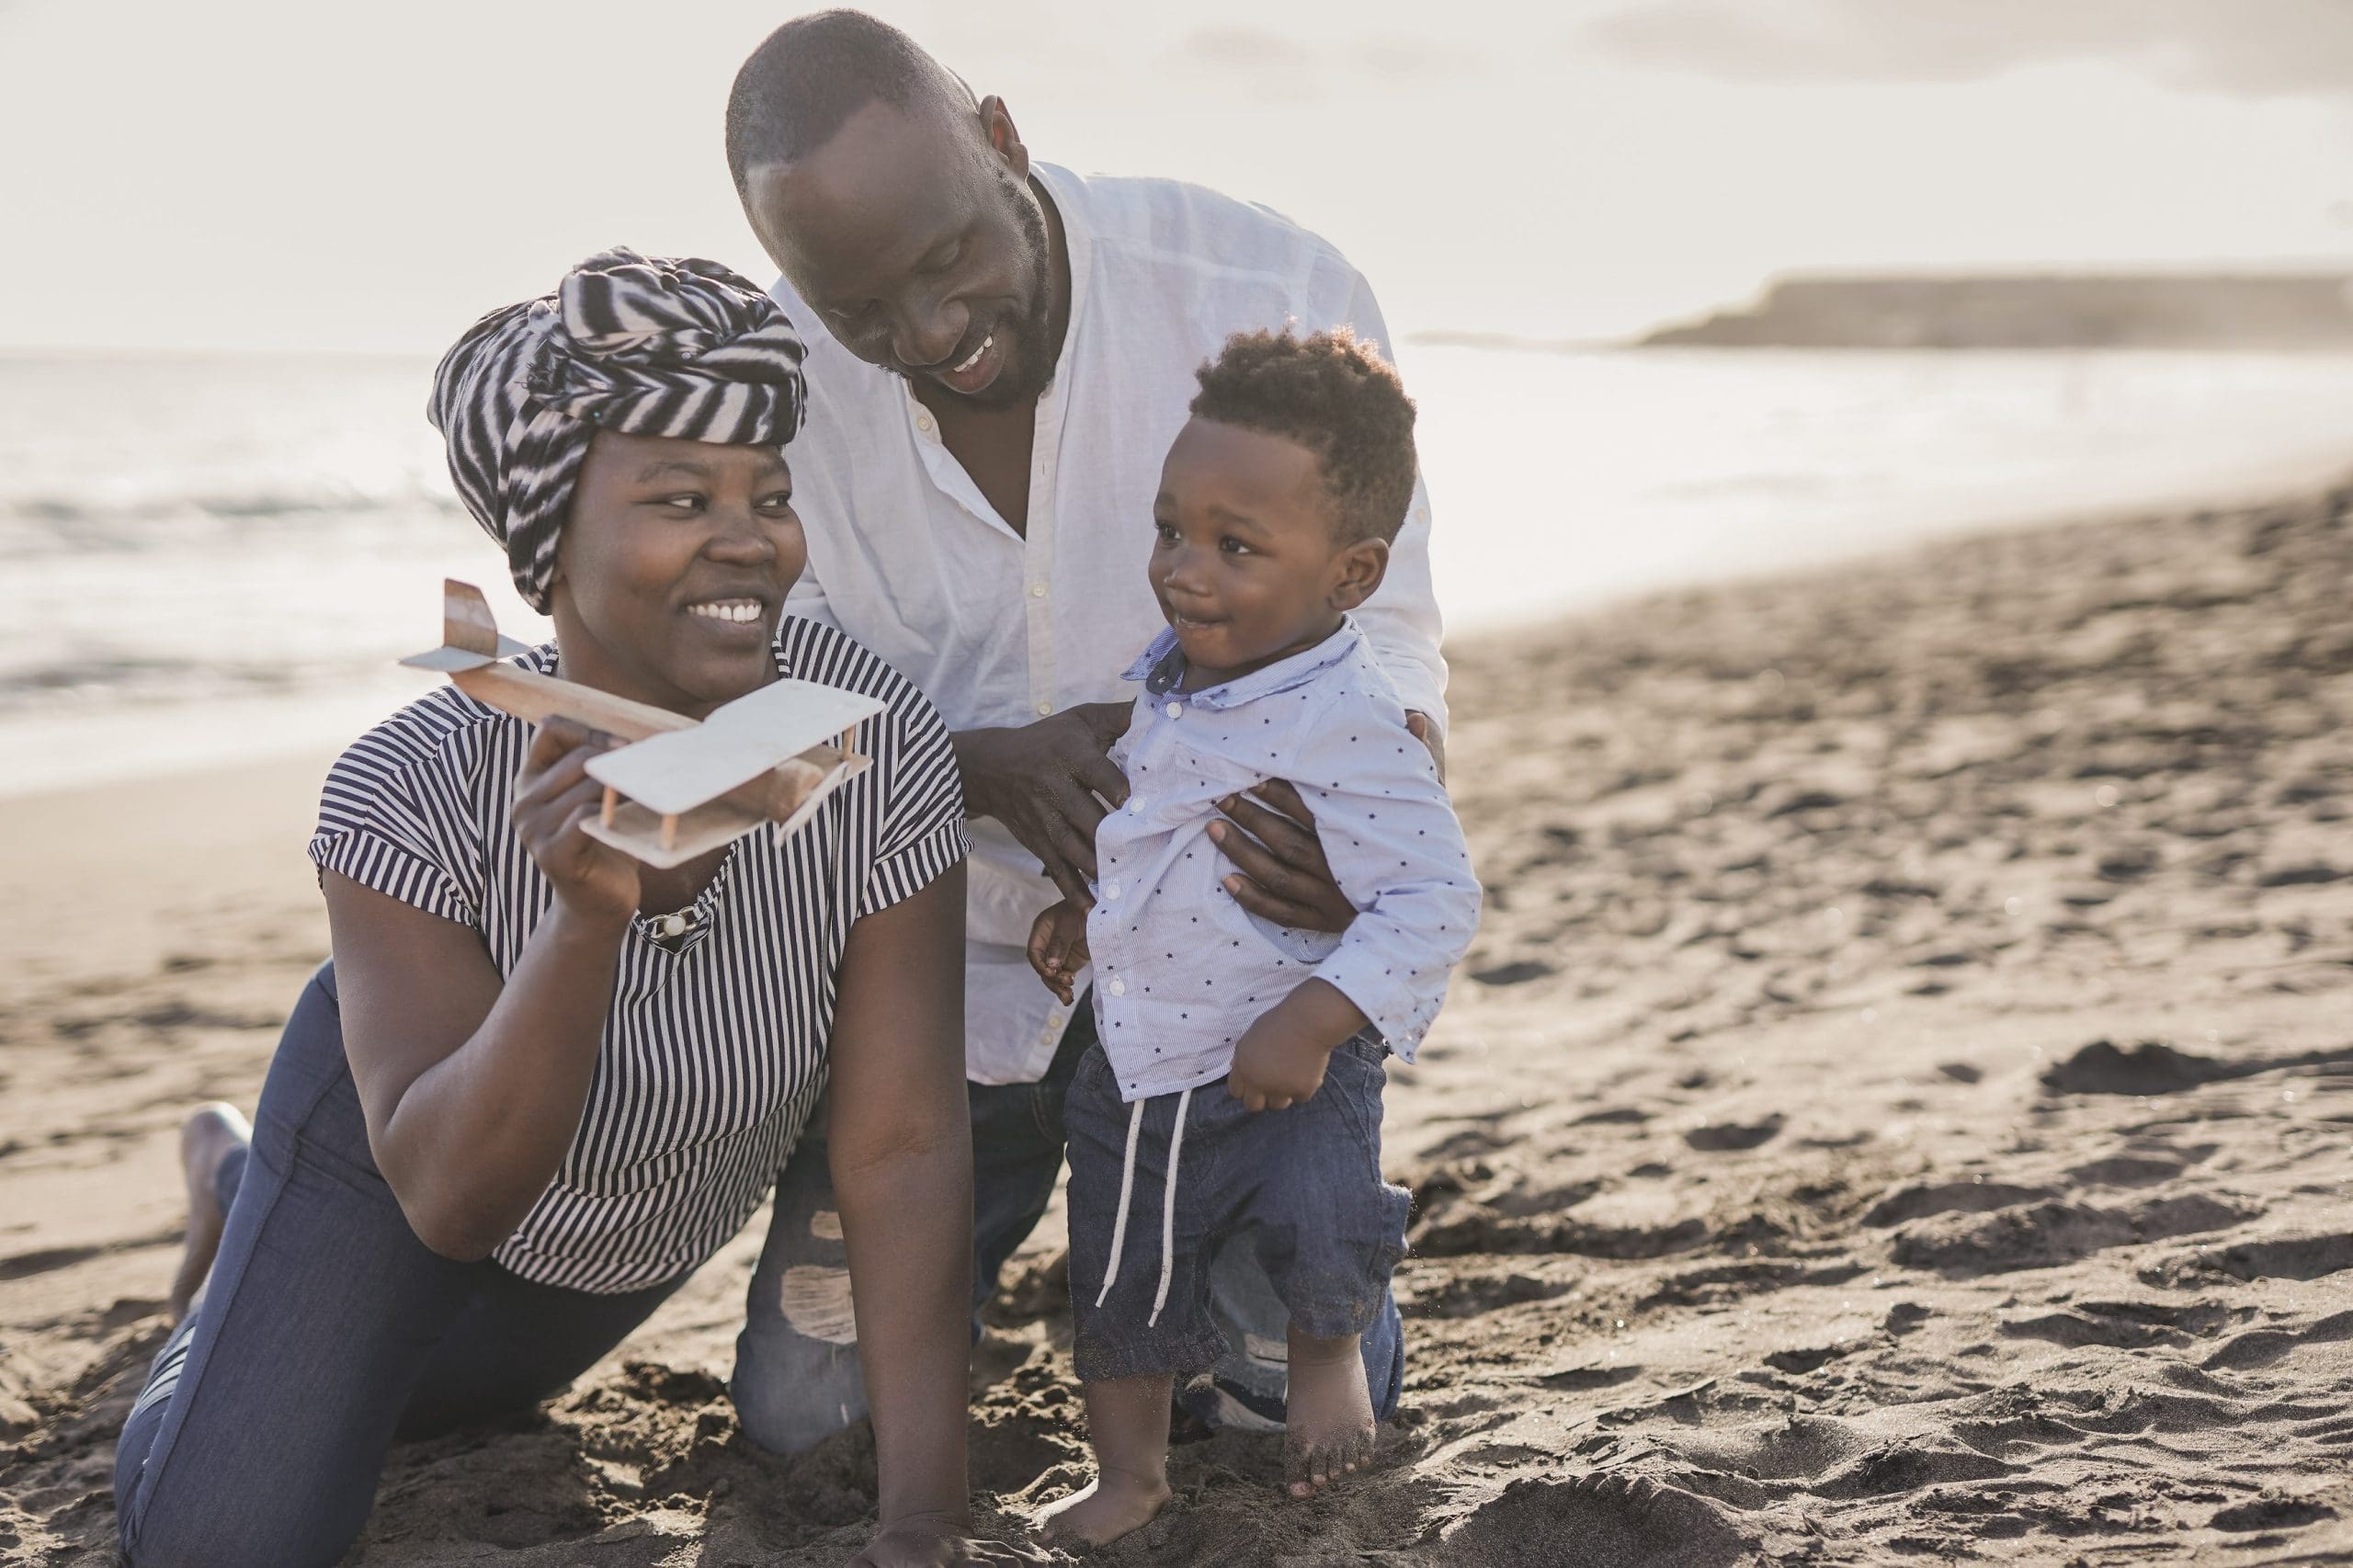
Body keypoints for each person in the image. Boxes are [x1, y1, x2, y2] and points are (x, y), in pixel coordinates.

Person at [115, 249, 1014, 1568]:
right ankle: (254, 1188)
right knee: (226, 1542)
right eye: (679, 495)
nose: (749, 535)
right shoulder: (405, 786)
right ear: (553, 537)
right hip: (406, 1154)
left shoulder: (862, 738)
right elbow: (452, 1205)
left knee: (442, 1408)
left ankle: (245, 1194)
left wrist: (925, 1520)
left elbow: (903, 1145)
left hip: (604, 1244)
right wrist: (583, 923)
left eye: (769, 492)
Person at [720, 8, 1452, 1445]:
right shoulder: (776, 397)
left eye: (948, 262)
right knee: (807, 1426)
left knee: (1258, 1423)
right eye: (865, 310)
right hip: (933, 990)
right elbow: (734, 716)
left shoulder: (1269, 291)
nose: (927, 334)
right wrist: (964, 763)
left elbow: (1391, 645)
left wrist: (1311, 810)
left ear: (1002, 140)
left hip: (1219, 989)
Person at [1022, 327, 1478, 1543]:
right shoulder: (1181, 670)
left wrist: (1313, 1016)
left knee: (1321, 1215)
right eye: (1174, 529)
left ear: (1350, 575)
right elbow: (1159, 828)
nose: (1185, 569)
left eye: (1236, 547)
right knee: (1121, 1275)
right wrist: (1090, 915)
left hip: (1293, 1061)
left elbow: (1435, 899)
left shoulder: (1351, 723)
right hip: (1147, 1064)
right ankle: (1130, 1475)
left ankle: (1328, 1351)